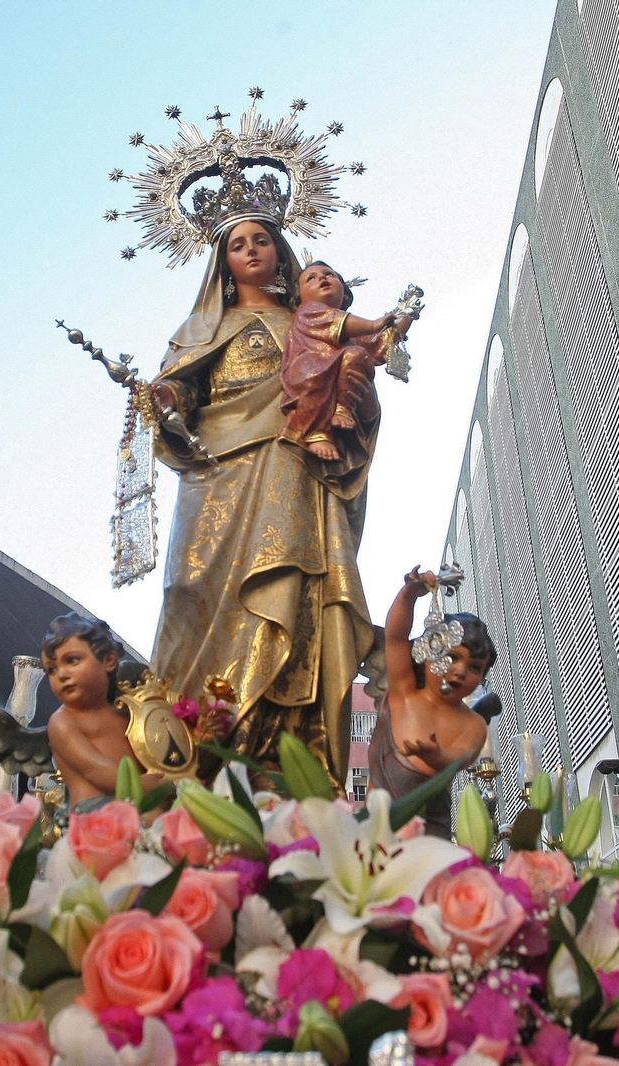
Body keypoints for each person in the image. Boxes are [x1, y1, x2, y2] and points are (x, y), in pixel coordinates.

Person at [146, 216, 379, 785]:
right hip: (218, 473)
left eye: (262, 240)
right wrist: (166, 397)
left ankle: (286, 751)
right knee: (193, 589)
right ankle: (193, 746)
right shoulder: (202, 329)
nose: (251, 251)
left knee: (294, 585)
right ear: (222, 262)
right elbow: (182, 387)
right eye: (237, 245)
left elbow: (354, 380)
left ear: (280, 251)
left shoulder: (308, 320)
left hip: (290, 462)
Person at [368, 566, 496, 838]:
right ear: (428, 652)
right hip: (376, 834)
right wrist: (408, 596)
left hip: (431, 833)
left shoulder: (472, 724)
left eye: (475, 667)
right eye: (453, 657)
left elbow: (460, 757)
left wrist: (437, 757)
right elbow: (395, 638)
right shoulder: (404, 693)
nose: (460, 671)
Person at [279, 261, 408, 461]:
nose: (322, 278)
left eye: (329, 274)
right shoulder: (308, 311)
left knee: (357, 355)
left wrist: (407, 314)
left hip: (338, 381)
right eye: (310, 278)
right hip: (309, 372)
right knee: (315, 378)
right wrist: (374, 324)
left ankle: (344, 407)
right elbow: (342, 322)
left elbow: (379, 341)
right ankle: (316, 433)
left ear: (345, 293)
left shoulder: (352, 335)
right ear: (299, 297)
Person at [42, 612, 159, 805]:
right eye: (51, 670)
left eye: (72, 660)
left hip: (137, 802)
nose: (61, 674)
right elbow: (101, 774)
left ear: (109, 661)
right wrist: (162, 783)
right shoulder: (62, 722)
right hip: (95, 811)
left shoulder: (125, 711)